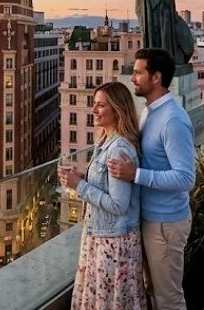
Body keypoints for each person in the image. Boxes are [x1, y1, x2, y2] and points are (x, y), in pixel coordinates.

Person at [108, 48, 195, 310]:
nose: (132, 78)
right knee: (154, 292)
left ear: (156, 77)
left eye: (138, 72)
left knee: (168, 299)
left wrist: (135, 174)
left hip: (166, 224)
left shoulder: (172, 120)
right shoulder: (150, 111)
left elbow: (185, 178)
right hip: (152, 219)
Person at [60, 82, 145, 310]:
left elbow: (118, 204)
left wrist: (79, 185)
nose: (93, 110)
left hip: (113, 244)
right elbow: (107, 184)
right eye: (93, 104)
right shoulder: (106, 141)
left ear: (117, 110)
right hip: (102, 237)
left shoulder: (118, 148)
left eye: (100, 105)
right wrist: (82, 177)